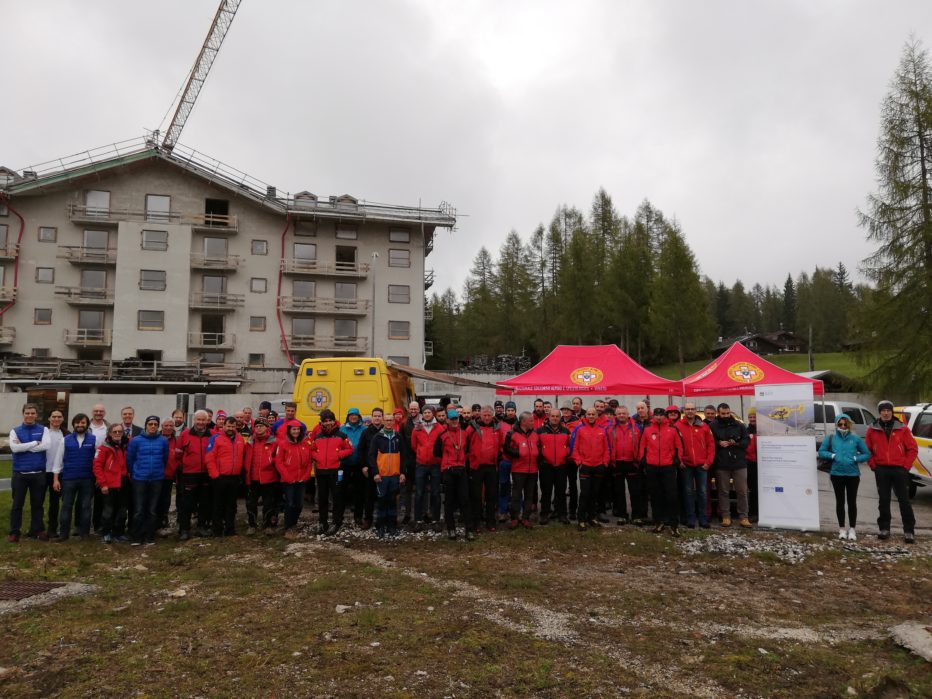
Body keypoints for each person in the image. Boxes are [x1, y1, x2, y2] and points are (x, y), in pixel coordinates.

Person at [865, 400, 919, 543]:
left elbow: (912, 449)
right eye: (883, 410)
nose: (886, 413)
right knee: (884, 500)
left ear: (892, 412)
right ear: (879, 412)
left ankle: (909, 531)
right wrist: (873, 465)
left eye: (888, 410)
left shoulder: (903, 429)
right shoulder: (872, 429)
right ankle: (884, 528)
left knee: (904, 501)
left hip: (899, 469)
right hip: (881, 469)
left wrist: (905, 466)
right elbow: (867, 450)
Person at [818, 413, 871, 541]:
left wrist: (855, 458)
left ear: (849, 424)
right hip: (836, 474)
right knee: (840, 502)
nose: (843, 426)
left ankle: (852, 529)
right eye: (840, 424)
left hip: (853, 475)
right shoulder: (830, 438)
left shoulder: (855, 438)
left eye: (845, 424)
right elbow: (821, 451)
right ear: (836, 425)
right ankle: (842, 529)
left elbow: (867, 454)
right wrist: (832, 456)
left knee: (852, 502)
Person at [8, 403, 51, 542]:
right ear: (23, 414)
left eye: (32, 413)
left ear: (36, 415)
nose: (30, 415)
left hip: (38, 473)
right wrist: (34, 443)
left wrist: (24, 446)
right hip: (20, 474)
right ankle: (14, 532)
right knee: (17, 505)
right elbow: (15, 448)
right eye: (27, 413)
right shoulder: (15, 431)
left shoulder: (44, 429)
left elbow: (46, 446)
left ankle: (37, 531)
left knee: (37, 505)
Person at [309, 409, 354, 536]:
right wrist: (316, 457)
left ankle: (336, 522)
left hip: (336, 471)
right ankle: (323, 522)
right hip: (321, 471)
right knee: (322, 499)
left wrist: (339, 455)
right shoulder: (317, 437)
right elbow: (311, 450)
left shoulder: (341, 435)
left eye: (330, 420)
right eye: (325, 421)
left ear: (334, 421)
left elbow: (350, 449)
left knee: (337, 497)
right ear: (321, 423)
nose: (328, 423)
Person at [640, 407, 683, 536]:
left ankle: (674, 524)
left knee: (671, 496)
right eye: (656, 415)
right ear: (653, 417)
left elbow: (679, 446)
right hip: (652, 467)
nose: (658, 417)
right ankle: (658, 522)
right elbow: (642, 446)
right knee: (655, 496)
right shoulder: (647, 430)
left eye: (661, 415)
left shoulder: (672, 429)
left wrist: (677, 459)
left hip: (668, 467)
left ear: (665, 417)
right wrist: (642, 460)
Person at [126, 416, 169, 545]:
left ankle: (150, 536)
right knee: (139, 509)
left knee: (152, 509)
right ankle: (137, 536)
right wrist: (135, 472)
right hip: (140, 478)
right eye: (150, 424)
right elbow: (130, 459)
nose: (153, 426)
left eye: (156, 424)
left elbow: (165, 458)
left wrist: (158, 471)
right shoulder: (136, 441)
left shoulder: (163, 441)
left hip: (157, 479)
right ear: (146, 425)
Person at [53, 413, 96, 541]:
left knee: (86, 506)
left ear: (87, 424)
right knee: (66, 506)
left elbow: (98, 460)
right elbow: (58, 460)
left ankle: (85, 533)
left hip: (87, 479)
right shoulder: (65, 440)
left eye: (83, 422)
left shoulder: (94, 439)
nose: (80, 425)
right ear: (73, 424)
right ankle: (63, 534)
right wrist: (56, 479)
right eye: (77, 423)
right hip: (68, 479)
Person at [674, 403, 715, 529]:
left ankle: (703, 518)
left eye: (692, 409)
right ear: (684, 411)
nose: (690, 411)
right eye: (687, 409)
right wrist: (679, 461)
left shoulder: (704, 426)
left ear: (696, 410)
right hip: (686, 465)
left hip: (702, 465)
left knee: (702, 492)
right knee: (688, 492)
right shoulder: (678, 426)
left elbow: (711, 445)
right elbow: (675, 445)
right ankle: (690, 518)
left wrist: (708, 462)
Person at [709, 403, 751, 528]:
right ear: (718, 413)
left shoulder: (739, 424)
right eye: (723, 413)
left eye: (728, 413)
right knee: (723, 492)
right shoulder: (712, 426)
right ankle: (726, 516)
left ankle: (744, 517)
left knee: (742, 491)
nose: (726, 415)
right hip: (721, 463)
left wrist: (736, 443)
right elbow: (709, 442)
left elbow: (746, 441)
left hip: (739, 463)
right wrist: (718, 443)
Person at [206, 415, 248, 537]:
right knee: (218, 504)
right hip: (220, 477)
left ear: (236, 427)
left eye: (233, 426)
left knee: (232, 505)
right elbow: (209, 458)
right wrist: (215, 475)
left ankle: (230, 529)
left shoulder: (240, 439)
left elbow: (243, 456)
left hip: (234, 477)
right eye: (228, 426)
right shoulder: (216, 438)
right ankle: (217, 530)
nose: (231, 428)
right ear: (223, 426)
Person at [174, 409, 213, 541]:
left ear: (207, 421)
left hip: (206, 474)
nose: (201, 422)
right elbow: (178, 454)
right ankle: (184, 529)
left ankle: (201, 527)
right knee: (187, 504)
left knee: (204, 502)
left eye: (203, 420)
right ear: (194, 420)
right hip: (189, 474)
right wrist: (184, 467)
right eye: (198, 419)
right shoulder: (185, 435)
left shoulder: (212, 435)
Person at [434, 408, 471, 539]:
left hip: (461, 470)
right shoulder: (443, 435)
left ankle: (469, 530)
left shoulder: (465, 433)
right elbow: (437, 454)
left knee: (465, 500)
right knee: (449, 501)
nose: (455, 421)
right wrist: (446, 465)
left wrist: (460, 462)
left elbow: (468, 451)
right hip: (448, 471)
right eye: (452, 419)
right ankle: (451, 529)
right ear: (447, 420)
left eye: (456, 418)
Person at [571, 407, 610, 531]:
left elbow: (606, 449)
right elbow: (575, 448)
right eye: (589, 414)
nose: (591, 416)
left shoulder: (602, 430)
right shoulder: (580, 430)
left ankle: (592, 517)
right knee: (585, 493)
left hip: (598, 466)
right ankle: (581, 519)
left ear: (597, 416)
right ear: (586, 415)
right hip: (585, 467)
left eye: (593, 414)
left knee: (595, 494)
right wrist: (579, 462)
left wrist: (605, 463)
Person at [368, 411, 405, 538]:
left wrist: (403, 473)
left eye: (391, 420)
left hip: (395, 475)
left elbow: (404, 456)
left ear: (394, 421)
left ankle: (392, 526)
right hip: (382, 476)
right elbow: (371, 457)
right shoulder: (377, 437)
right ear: (383, 421)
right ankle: (380, 526)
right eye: (387, 420)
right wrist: (375, 473)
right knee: (382, 501)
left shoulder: (398, 437)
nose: (389, 422)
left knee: (392, 501)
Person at [466, 405, 500, 533]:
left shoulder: (497, 428)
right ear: (480, 415)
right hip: (476, 467)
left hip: (491, 466)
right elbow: (465, 443)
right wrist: (470, 457)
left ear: (492, 416)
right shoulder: (472, 428)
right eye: (484, 415)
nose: (486, 417)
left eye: (489, 415)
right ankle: (476, 522)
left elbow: (501, 444)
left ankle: (490, 521)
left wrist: (499, 456)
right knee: (476, 496)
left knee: (491, 495)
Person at [503, 411, 540, 529]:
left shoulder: (534, 434)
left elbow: (538, 446)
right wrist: (519, 453)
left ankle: (525, 518)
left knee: (529, 496)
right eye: (531, 421)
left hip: (533, 470)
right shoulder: (512, 434)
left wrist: (537, 453)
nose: (533, 423)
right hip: (519, 470)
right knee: (516, 495)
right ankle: (514, 518)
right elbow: (506, 449)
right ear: (523, 422)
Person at [275, 420, 312, 539]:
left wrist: (306, 475)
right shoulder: (283, 444)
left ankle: (294, 523)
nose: (296, 431)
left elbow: (309, 462)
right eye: (293, 429)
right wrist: (287, 476)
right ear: (289, 431)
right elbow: (279, 462)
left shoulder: (305, 443)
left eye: (298, 429)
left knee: (299, 504)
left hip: (301, 479)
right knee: (290, 503)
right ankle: (288, 527)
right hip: (288, 480)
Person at [93, 423, 129, 544]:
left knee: (122, 510)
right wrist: (102, 484)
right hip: (109, 484)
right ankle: (106, 533)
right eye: (115, 432)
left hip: (123, 483)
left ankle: (118, 533)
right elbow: (97, 466)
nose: (117, 434)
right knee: (108, 511)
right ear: (110, 433)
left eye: (120, 432)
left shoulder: (126, 445)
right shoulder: (103, 447)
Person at [411, 405, 444, 532]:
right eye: (425, 412)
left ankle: (435, 520)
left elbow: (442, 445)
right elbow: (414, 446)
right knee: (419, 493)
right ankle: (418, 520)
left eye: (429, 412)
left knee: (436, 493)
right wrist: (421, 454)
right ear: (422, 414)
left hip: (435, 464)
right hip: (421, 464)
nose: (427, 414)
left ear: (433, 414)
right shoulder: (417, 428)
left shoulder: (440, 428)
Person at [608, 406, 643, 525]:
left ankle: (636, 516)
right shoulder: (610, 428)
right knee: (619, 491)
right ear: (615, 415)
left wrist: (638, 460)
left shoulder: (636, 427)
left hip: (632, 463)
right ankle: (622, 515)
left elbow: (641, 445)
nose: (621, 415)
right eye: (619, 414)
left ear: (628, 414)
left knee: (635, 491)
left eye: (623, 413)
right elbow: (607, 445)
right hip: (617, 463)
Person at [245, 417, 279, 535]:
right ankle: (252, 525)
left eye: (261, 426)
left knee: (268, 503)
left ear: (267, 428)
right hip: (252, 478)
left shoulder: (274, 442)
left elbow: (278, 459)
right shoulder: (249, 442)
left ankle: (267, 525)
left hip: (268, 478)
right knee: (251, 503)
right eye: (257, 426)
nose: (258, 428)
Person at [537, 408, 570, 525]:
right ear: (548, 417)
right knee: (546, 492)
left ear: (560, 418)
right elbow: (537, 446)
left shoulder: (566, 431)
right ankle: (544, 514)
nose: (555, 418)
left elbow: (569, 446)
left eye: (557, 416)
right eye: (552, 416)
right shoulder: (540, 431)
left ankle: (562, 514)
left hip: (561, 466)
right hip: (546, 466)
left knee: (561, 492)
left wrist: (566, 455)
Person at [339, 408, 368, 527]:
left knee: (359, 492)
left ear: (359, 416)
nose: (353, 417)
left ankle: (358, 516)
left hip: (359, 465)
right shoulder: (342, 429)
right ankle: (338, 517)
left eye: (356, 415)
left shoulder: (364, 429)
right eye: (351, 415)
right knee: (341, 491)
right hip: (344, 465)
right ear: (348, 416)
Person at [357, 408, 384, 529]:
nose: (377, 418)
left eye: (379, 416)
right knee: (368, 496)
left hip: (384, 469)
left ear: (382, 417)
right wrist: (363, 466)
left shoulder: (387, 431)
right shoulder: (366, 432)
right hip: (370, 469)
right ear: (372, 417)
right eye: (375, 416)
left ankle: (381, 520)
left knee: (383, 496)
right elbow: (361, 450)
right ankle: (368, 519)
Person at [44, 409, 66, 539]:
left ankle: (52, 528)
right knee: (38, 502)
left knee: (54, 502)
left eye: (59, 417)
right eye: (54, 416)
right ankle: (37, 528)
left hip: (58, 473)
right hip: (42, 471)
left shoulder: (66, 434)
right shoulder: (43, 432)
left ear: (62, 419)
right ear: (49, 418)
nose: (56, 419)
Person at [497, 401, 518, 520]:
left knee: (517, 486)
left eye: (512, 410)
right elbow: (497, 441)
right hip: (504, 460)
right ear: (505, 411)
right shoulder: (500, 425)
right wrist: (499, 455)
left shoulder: (519, 424)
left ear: (515, 411)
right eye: (508, 410)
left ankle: (517, 510)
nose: (510, 412)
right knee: (504, 485)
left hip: (517, 460)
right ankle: (503, 510)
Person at [156, 419, 179, 534]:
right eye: (166, 425)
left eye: (171, 425)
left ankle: (163, 521)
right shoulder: (156, 438)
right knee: (155, 499)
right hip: (155, 475)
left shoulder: (176, 440)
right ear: (162, 426)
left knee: (166, 500)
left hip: (169, 475)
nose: (169, 427)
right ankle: (154, 522)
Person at [745, 409, 759, 520]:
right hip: (750, 463)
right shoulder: (745, 430)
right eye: (751, 417)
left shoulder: (764, 430)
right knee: (752, 489)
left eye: (754, 416)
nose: (753, 419)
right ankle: (753, 512)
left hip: (763, 463)